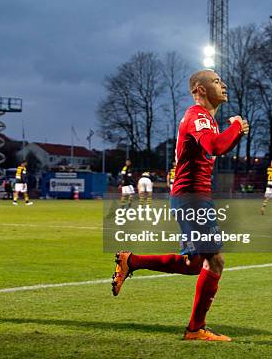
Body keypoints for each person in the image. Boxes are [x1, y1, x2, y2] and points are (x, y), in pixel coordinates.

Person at [111, 69, 248, 341]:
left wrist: (234, 131)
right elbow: (215, 147)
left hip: (194, 196)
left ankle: (131, 260)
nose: (223, 85)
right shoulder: (197, 116)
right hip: (191, 197)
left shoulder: (206, 119)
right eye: (217, 81)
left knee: (195, 264)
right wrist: (236, 126)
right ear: (199, 88)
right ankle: (195, 329)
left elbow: (215, 145)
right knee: (215, 260)